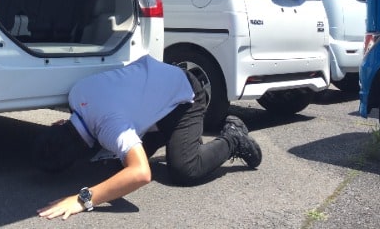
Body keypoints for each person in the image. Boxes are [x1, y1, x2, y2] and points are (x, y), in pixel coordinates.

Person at [33, 54, 262, 220]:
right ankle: (181, 139)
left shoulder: (110, 126)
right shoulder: (76, 95)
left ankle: (233, 138)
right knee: (115, 171)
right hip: (160, 85)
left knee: (185, 169)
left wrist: (82, 199)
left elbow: (141, 173)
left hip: (184, 96)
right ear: (59, 124)